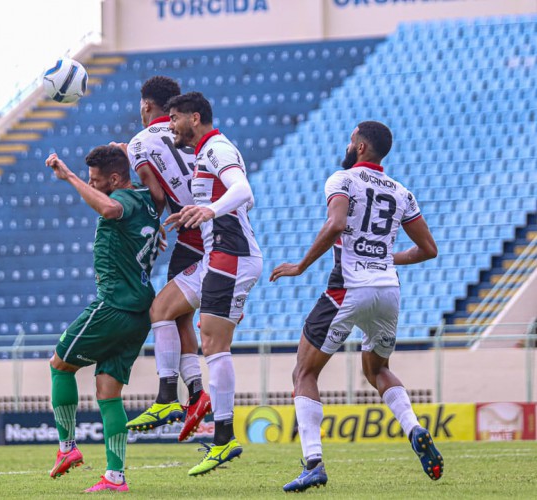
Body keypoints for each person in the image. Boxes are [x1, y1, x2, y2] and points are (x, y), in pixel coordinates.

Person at [270, 121, 442, 492]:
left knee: (304, 373)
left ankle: (313, 462)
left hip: (348, 287)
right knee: (378, 370)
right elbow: (429, 250)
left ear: (361, 147)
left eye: (351, 141)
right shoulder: (401, 192)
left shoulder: (343, 180)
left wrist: (300, 266)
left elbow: (336, 225)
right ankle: (414, 428)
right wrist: (382, 259)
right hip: (388, 291)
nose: (348, 147)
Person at [46, 145, 161, 493]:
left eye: (97, 181)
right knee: (108, 392)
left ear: (114, 179)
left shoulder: (122, 202)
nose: (92, 186)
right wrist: (129, 151)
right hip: (140, 312)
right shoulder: (147, 200)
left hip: (113, 306)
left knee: (59, 364)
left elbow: (111, 207)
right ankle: (116, 476)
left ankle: (67, 448)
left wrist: (69, 177)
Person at [164, 92, 263, 476]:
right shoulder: (205, 152)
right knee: (208, 341)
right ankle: (222, 437)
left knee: (215, 346)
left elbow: (243, 191)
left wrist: (210, 209)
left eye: (174, 118)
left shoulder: (219, 148)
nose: (171, 125)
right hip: (222, 256)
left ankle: (224, 439)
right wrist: (197, 212)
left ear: (195, 116)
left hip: (231, 256)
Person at [119, 76, 212, 442]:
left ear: (146, 106)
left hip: (196, 235)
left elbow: (156, 196)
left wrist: (145, 225)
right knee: (179, 316)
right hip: (202, 231)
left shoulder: (140, 142)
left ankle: (166, 396)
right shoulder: (191, 135)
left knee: (160, 310)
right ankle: (195, 395)